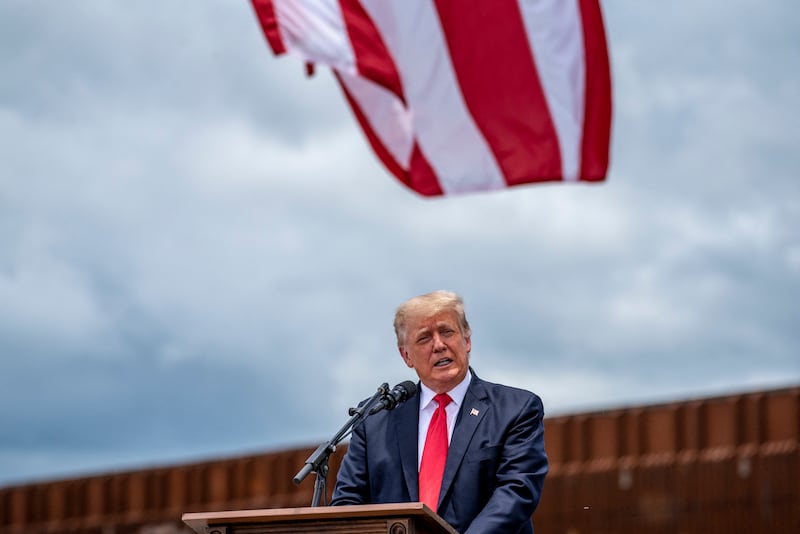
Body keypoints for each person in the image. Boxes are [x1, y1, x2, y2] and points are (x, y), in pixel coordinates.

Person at [331, 290, 548, 533]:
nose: (439, 345)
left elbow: (517, 492)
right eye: (424, 338)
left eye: (447, 332)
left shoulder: (515, 409)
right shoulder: (375, 419)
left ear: (467, 341)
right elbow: (348, 503)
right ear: (406, 356)